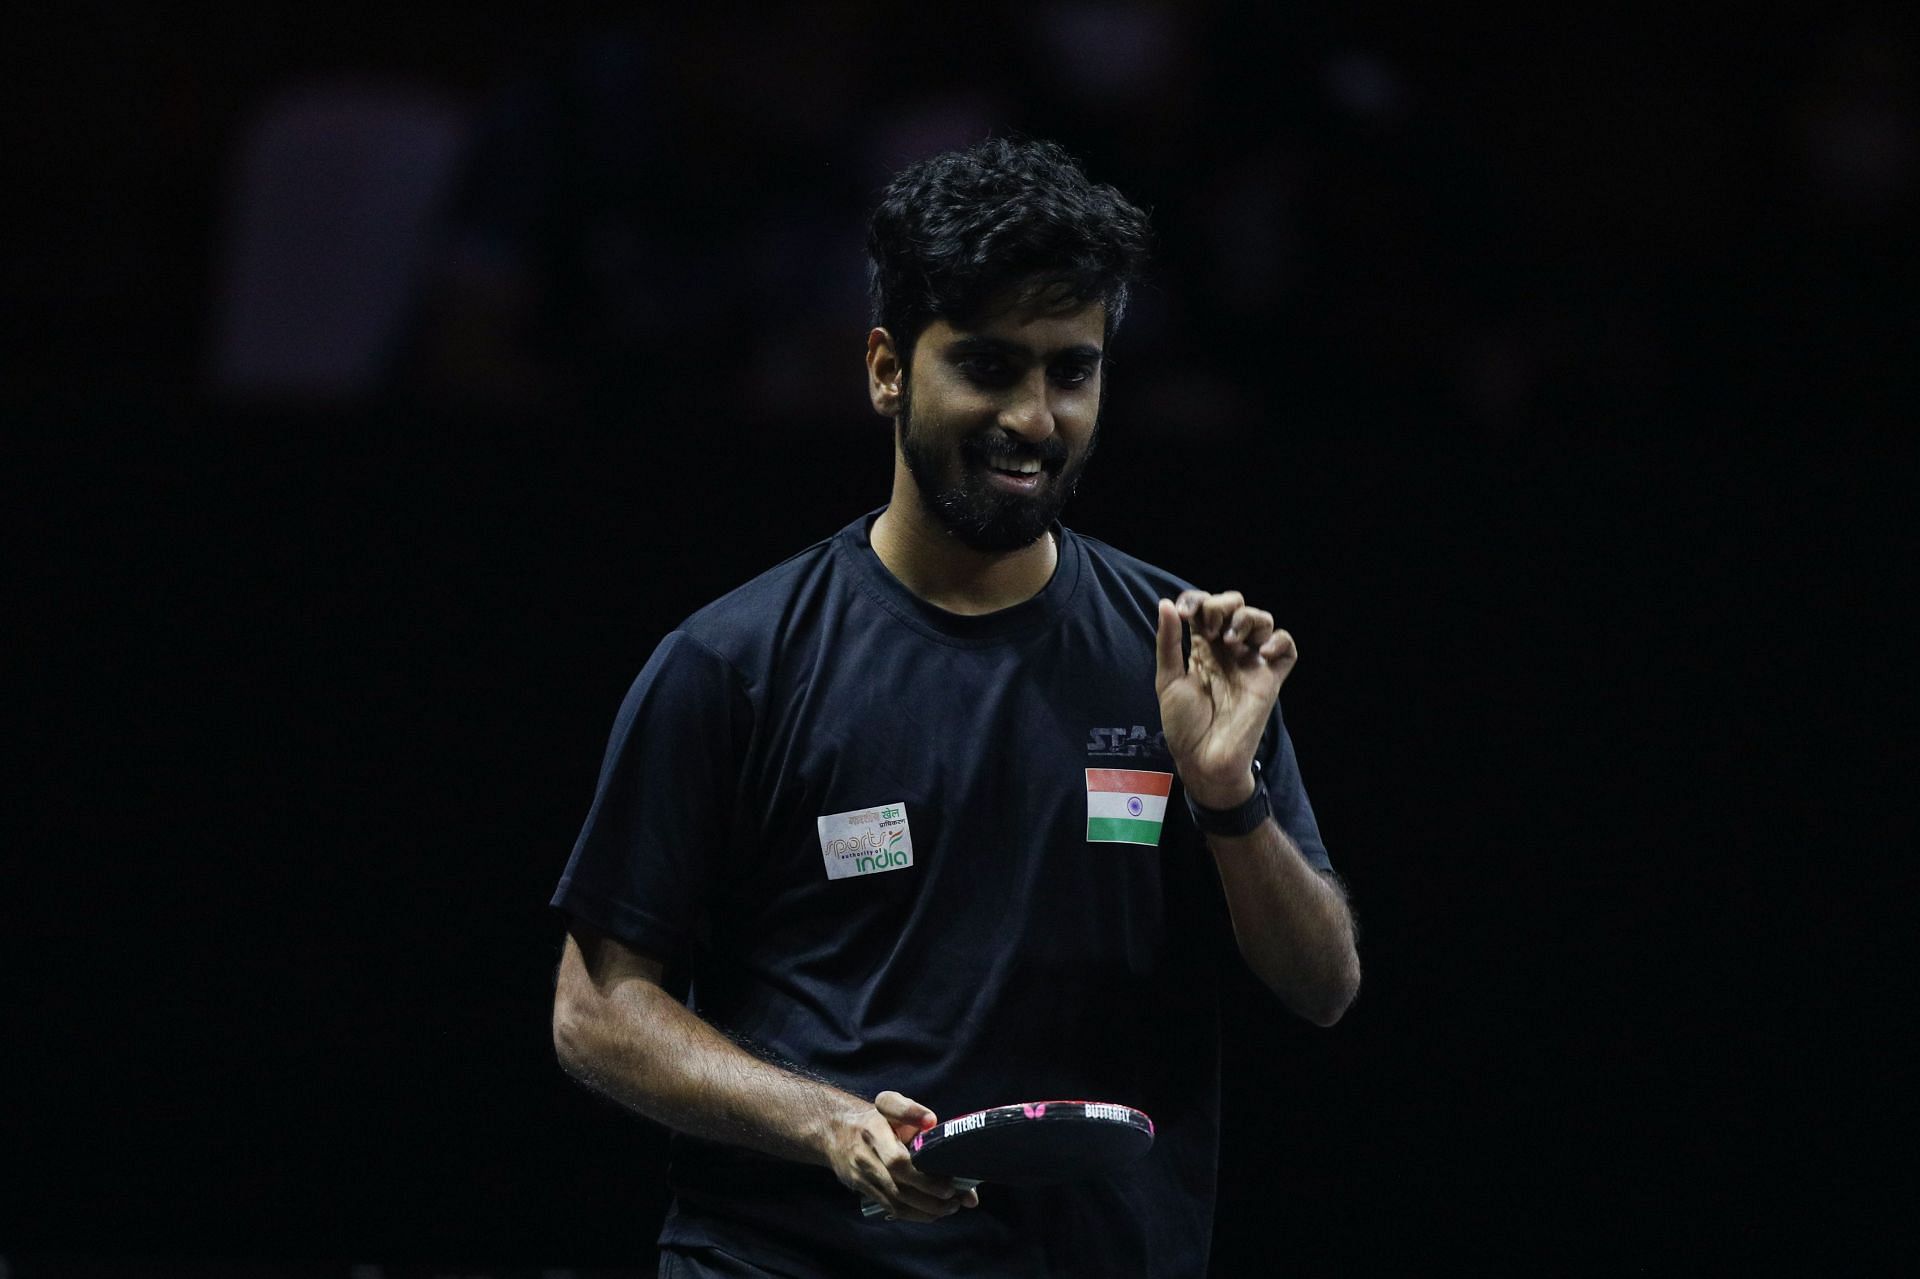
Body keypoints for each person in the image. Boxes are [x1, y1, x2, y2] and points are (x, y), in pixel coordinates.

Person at [549, 136, 1360, 1279]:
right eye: (988, 366)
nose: (1035, 417)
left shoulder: (1184, 658)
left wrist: (1228, 796)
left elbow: (1323, 986)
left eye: (1071, 372)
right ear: (888, 369)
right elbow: (596, 1012)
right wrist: (822, 1121)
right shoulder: (731, 663)